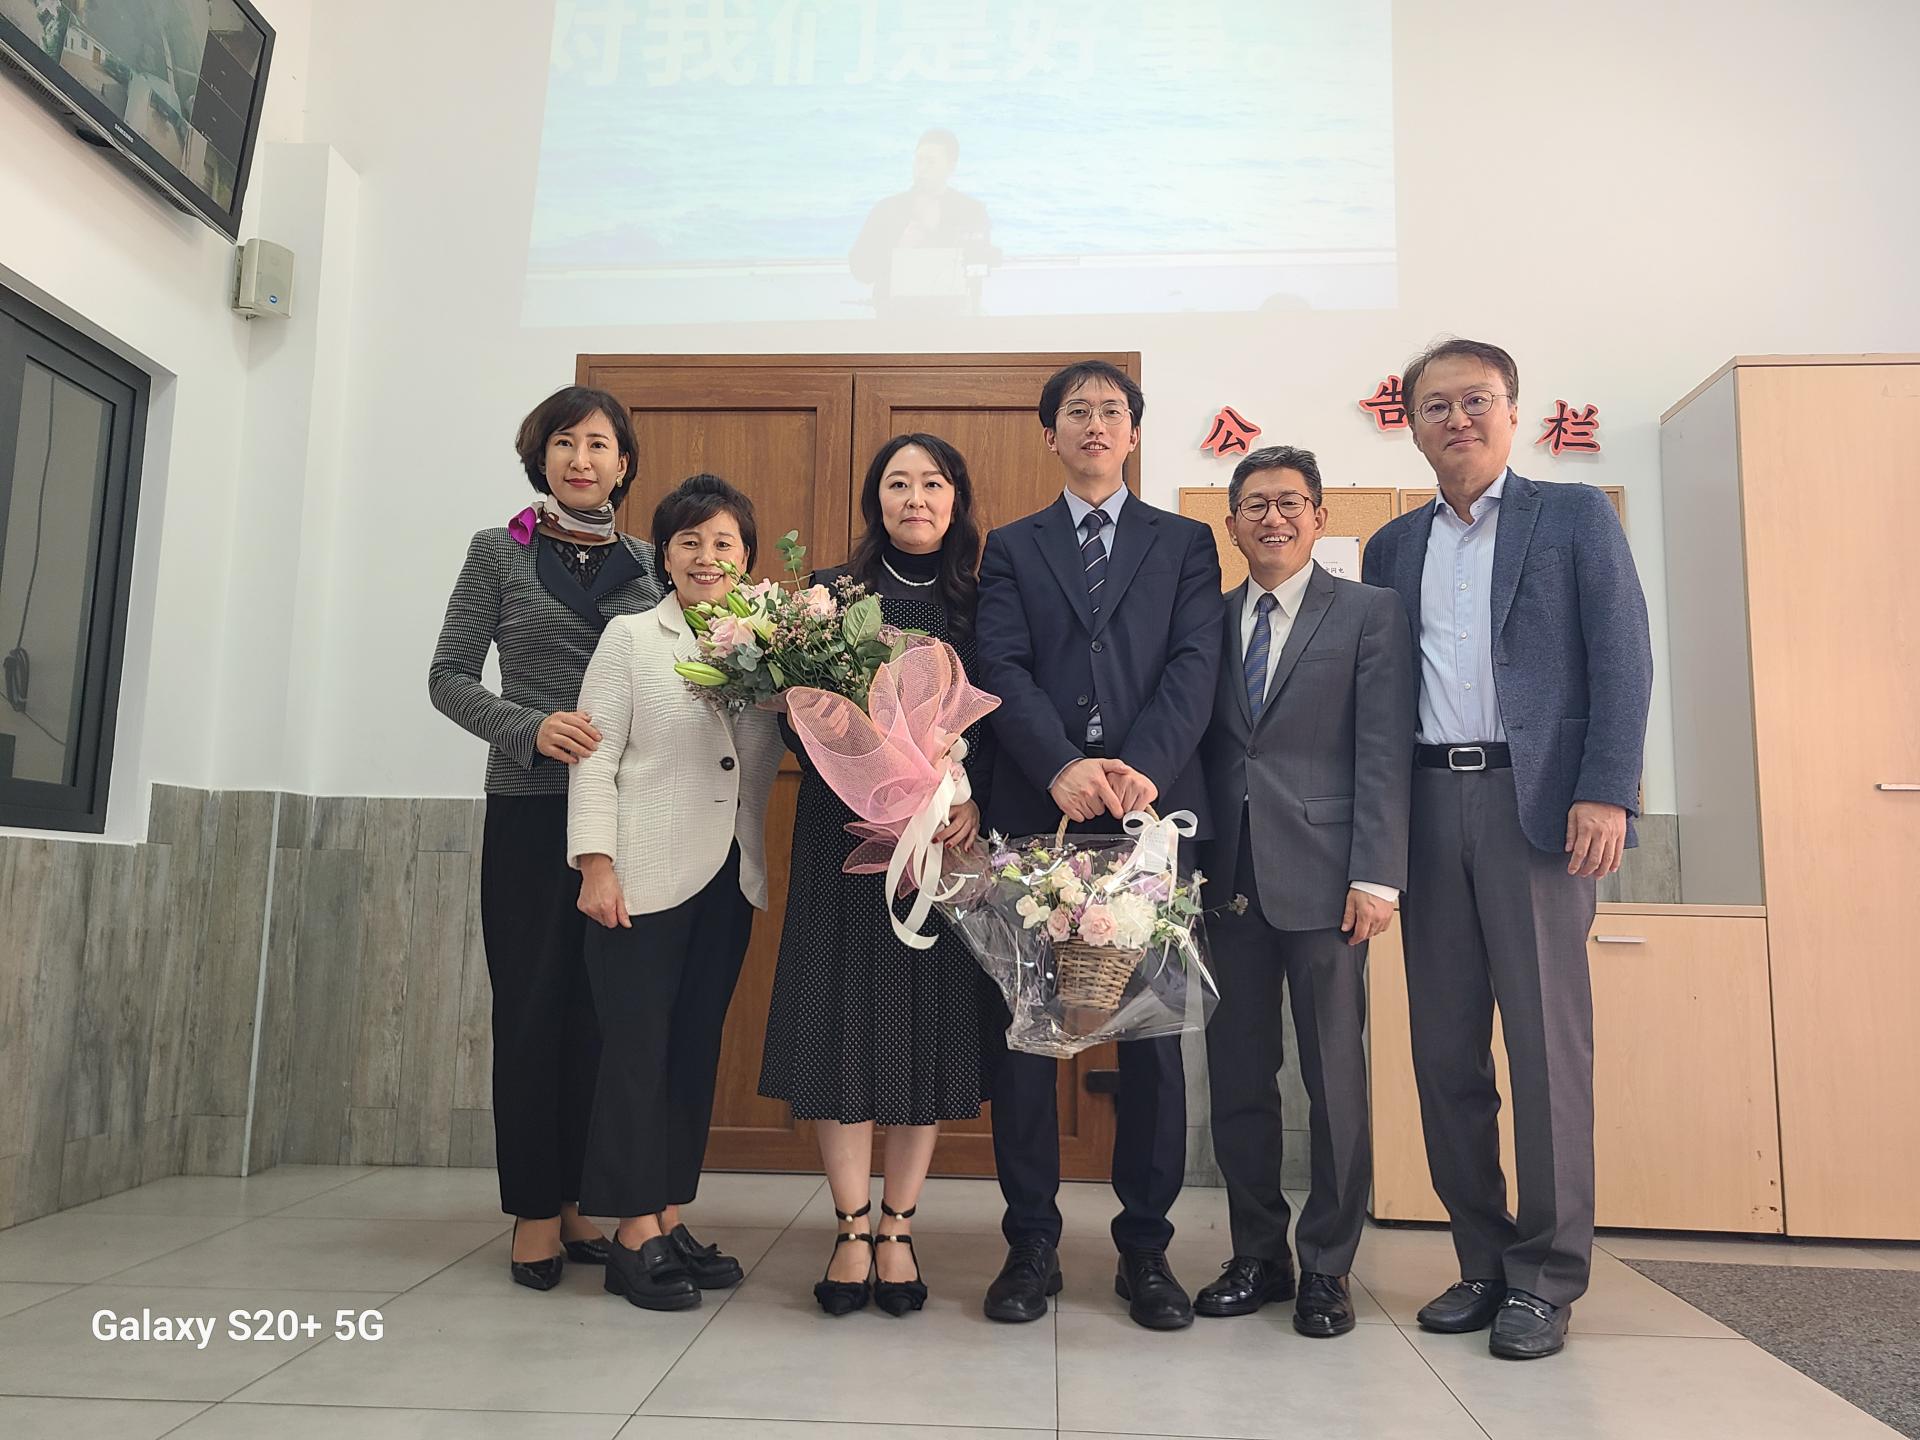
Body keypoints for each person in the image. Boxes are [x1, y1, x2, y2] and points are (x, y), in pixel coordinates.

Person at [1361, 338, 1652, 1359]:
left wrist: (1605, 790)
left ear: (1513, 411)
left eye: (1475, 400)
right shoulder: (1392, 548)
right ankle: (1482, 1260)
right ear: (1411, 425)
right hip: (1426, 807)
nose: (1457, 419)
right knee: (1444, 1051)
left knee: (1544, 1050)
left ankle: (1547, 1276)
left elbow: (1623, 656)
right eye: (1435, 406)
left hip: (1538, 812)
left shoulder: (1571, 517)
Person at [974, 359, 1223, 1330]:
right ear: (1050, 435)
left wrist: (1140, 769)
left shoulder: (1184, 543)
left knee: (1151, 1040)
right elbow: (1001, 664)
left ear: (1134, 433)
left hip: (1149, 820)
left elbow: (1194, 665)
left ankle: (1146, 1250)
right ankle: (1030, 1243)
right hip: (1041, 814)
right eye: (1075, 411)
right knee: (1029, 1035)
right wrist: (1059, 767)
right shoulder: (1012, 546)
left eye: (1111, 411)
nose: (1094, 424)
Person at [428, 385, 660, 1290]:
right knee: (530, 1011)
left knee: (602, 1017)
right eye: (564, 443)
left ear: (624, 463)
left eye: (599, 444)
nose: (581, 459)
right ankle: (532, 1209)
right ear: (541, 457)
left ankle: (575, 1199)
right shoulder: (498, 552)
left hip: (626, 819)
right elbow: (448, 676)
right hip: (529, 807)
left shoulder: (652, 564)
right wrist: (527, 727)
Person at [759, 433, 996, 1317]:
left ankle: (899, 1227)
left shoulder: (983, 600)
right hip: (843, 839)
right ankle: (850, 1227)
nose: (915, 498)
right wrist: (854, 753)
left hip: (939, 843)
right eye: (898, 483)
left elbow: (1002, 715)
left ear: (955, 496)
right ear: (877, 500)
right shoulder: (831, 595)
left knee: (921, 1027)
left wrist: (967, 798)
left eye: (932, 483)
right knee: (842, 1024)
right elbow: (792, 716)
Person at [1195, 445, 1414, 1338]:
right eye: (1255, 504)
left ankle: (1328, 1264)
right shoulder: (1209, 620)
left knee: (1334, 1080)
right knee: (1239, 1077)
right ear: (1232, 524)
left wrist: (1377, 875)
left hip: (1330, 881)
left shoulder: (1368, 612)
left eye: (1290, 502)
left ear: (1319, 517)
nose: (1273, 518)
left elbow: (1383, 747)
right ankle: (1258, 1254)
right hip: (1226, 882)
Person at [568, 474, 784, 1312]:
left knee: (692, 1053)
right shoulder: (630, 637)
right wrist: (595, 864)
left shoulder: (771, 644)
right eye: (689, 541)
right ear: (665, 556)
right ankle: (632, 1234)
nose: (706, 555)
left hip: (729, 875)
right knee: (636, 1055)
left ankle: (667, 1213)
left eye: (723, 542)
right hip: (641, 877)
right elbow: (594, 754)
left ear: (746, 557)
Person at [849, 128, 997, 316]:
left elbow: (979, 268)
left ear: (951, 166)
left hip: (953, 319)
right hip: (895, 318)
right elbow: (861, 270)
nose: (922, 168)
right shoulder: (887, 209)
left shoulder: (971, 211)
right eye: (919, 160)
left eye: (931, 162)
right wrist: (900, 248)